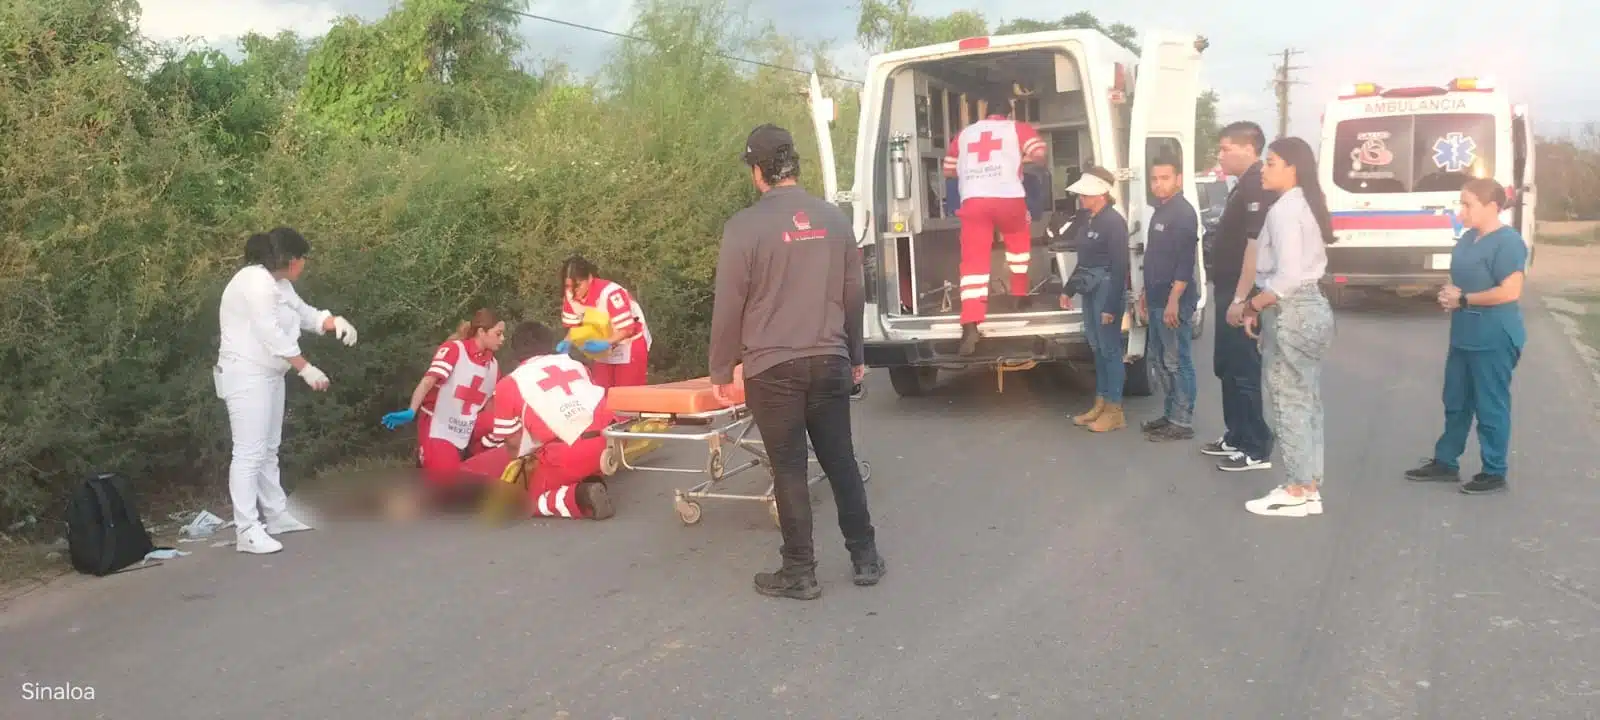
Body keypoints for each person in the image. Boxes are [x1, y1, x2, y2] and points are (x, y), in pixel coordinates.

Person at [710, 123, 884, 600]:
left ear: (757, 171)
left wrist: (722, 370)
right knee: (840, 460)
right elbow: (854, 292)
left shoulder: (744, 227)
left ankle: (800, 572)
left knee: (788, 468)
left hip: (772, 368)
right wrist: (855, 354)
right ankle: (865, 558)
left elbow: (729, 303)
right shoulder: (833, 219)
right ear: (795, 166)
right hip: (829, 357)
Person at [214, 227, 358, 554]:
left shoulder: (279, 284)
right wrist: (305, 368)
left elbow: (303, 313)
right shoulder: (254, 283)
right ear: (290, 259)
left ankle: (276, 514)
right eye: (303, 258)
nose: (304, 264)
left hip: (268, 373)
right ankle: (247, 529)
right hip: (245, 373)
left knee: (268, 448)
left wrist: (333, 321)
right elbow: (271, 333)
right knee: (249, 451)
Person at [1403, 178, 1528, 495]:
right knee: (1456, 401)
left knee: (1490, 405)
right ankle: (1446, 462)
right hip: (1463, 335)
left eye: (1467, 203)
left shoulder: (1508, 242)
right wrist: (1448, 295)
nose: (1461, 210)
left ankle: (1494, 471)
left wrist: (1464, 299)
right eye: (1460, 202)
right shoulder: (1468, 239)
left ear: (1492, 207)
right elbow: (1460, 278)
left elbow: (1510, 291)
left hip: (1494, 336)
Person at [1237, 136, 1337, 518]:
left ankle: (1297, 487)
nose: (1264, 168)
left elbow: (1287, 276)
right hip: (1312, 306)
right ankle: (1309, 484)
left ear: (1292, 167)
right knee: (1307, 397)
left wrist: (1253, 305)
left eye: (1272, 162)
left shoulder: (1283, 210)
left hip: (1292, 307)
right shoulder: (1305, 205)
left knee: (1288, 398)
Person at [942, 89, 1048, 355]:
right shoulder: (1018, 129)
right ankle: (1019, 296)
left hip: (974, 201)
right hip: (1008, 198)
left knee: (973, 264)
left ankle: (970, 323)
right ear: (1008, 112)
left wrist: (973, 170)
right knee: (1018, 245)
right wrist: (1016, 160)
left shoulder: (964, 134)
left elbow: (948, 169)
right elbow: (1038, 153)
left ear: (985, 112)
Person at [480, 321, 616, 520]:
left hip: (567, 454)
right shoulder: (576, 365)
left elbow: (512, 443)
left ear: (516, 351)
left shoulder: (509, 384)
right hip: (607, 446)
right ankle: (587, 477)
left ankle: (580, 496)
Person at [379, 309, 505, 497]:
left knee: (508, 430)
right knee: (449, 488)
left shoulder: (493, 366)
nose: (502, 339)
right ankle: (431, 464)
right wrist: (412, 410)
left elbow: (490, 404)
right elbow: (429, 380)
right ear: (481, 332)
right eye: (498, 333)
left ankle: (468, 470)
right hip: (439, 424)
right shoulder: (455, 350)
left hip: (467, 424)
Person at [1211, 121, 1278, 473]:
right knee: (1226, 366)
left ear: (1248, 148)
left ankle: (1256, 444)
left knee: (1243, 368)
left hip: (1241, 291)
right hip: (1226, 288)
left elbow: (1254, 247)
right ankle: (1236, 434)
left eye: (1225, 148)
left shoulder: (1256, 184)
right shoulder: (1241, 185)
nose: (1220, 155)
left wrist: (1241, 300)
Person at [1062, 167, 1131, 433]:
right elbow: (1085, 261)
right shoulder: (1090, 219)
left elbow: (1119, 267)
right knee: (1098, 348)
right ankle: (1101, 404)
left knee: (1110, 350)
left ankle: (1115, 411)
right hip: (1091, 288)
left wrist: (1112, 307)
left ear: (1101, 193)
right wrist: (1068, 290)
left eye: (1086, 193)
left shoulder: (1114, 222)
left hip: (1106, 289)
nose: (1081, 197)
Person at [1139, 156, 1202, 442]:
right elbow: (1154, 258)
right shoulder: (1160, 211)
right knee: (1160, 360)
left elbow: (1184, 262)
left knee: (1177, 360)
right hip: (1155, 297)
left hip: (1173, 301)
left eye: (1164, 178)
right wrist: (1144, 293)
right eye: (1154, 179)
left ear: (1178, 179)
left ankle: (1182, 421)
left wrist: (1174, 300)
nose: (1158, 184)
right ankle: (1169, 414)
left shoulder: (1183, 213)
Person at [559, 255, 652, 388]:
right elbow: (575, 326)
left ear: (589, 279)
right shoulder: (570, 295)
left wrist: (605, 343)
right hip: (603, 342)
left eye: (577, 285)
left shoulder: (611, 293)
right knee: (601, 390)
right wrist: (566, 342)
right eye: (568, 286)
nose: (573, 291)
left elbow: (627, 329)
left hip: (630, 342)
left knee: (627, 394)